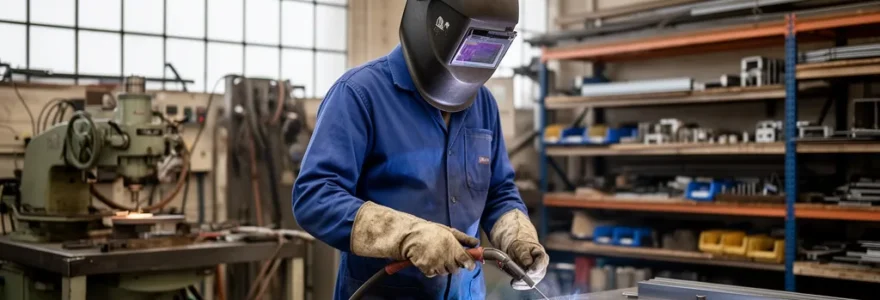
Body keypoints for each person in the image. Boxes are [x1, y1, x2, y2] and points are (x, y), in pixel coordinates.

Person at [292, 0, 548, 299]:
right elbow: (315, 196)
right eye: (470, 46)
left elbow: (498, 191)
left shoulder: (484, 104)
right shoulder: (359, 94)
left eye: (487, 50)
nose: (472, 62)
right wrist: (405, 234)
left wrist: (516, 234)